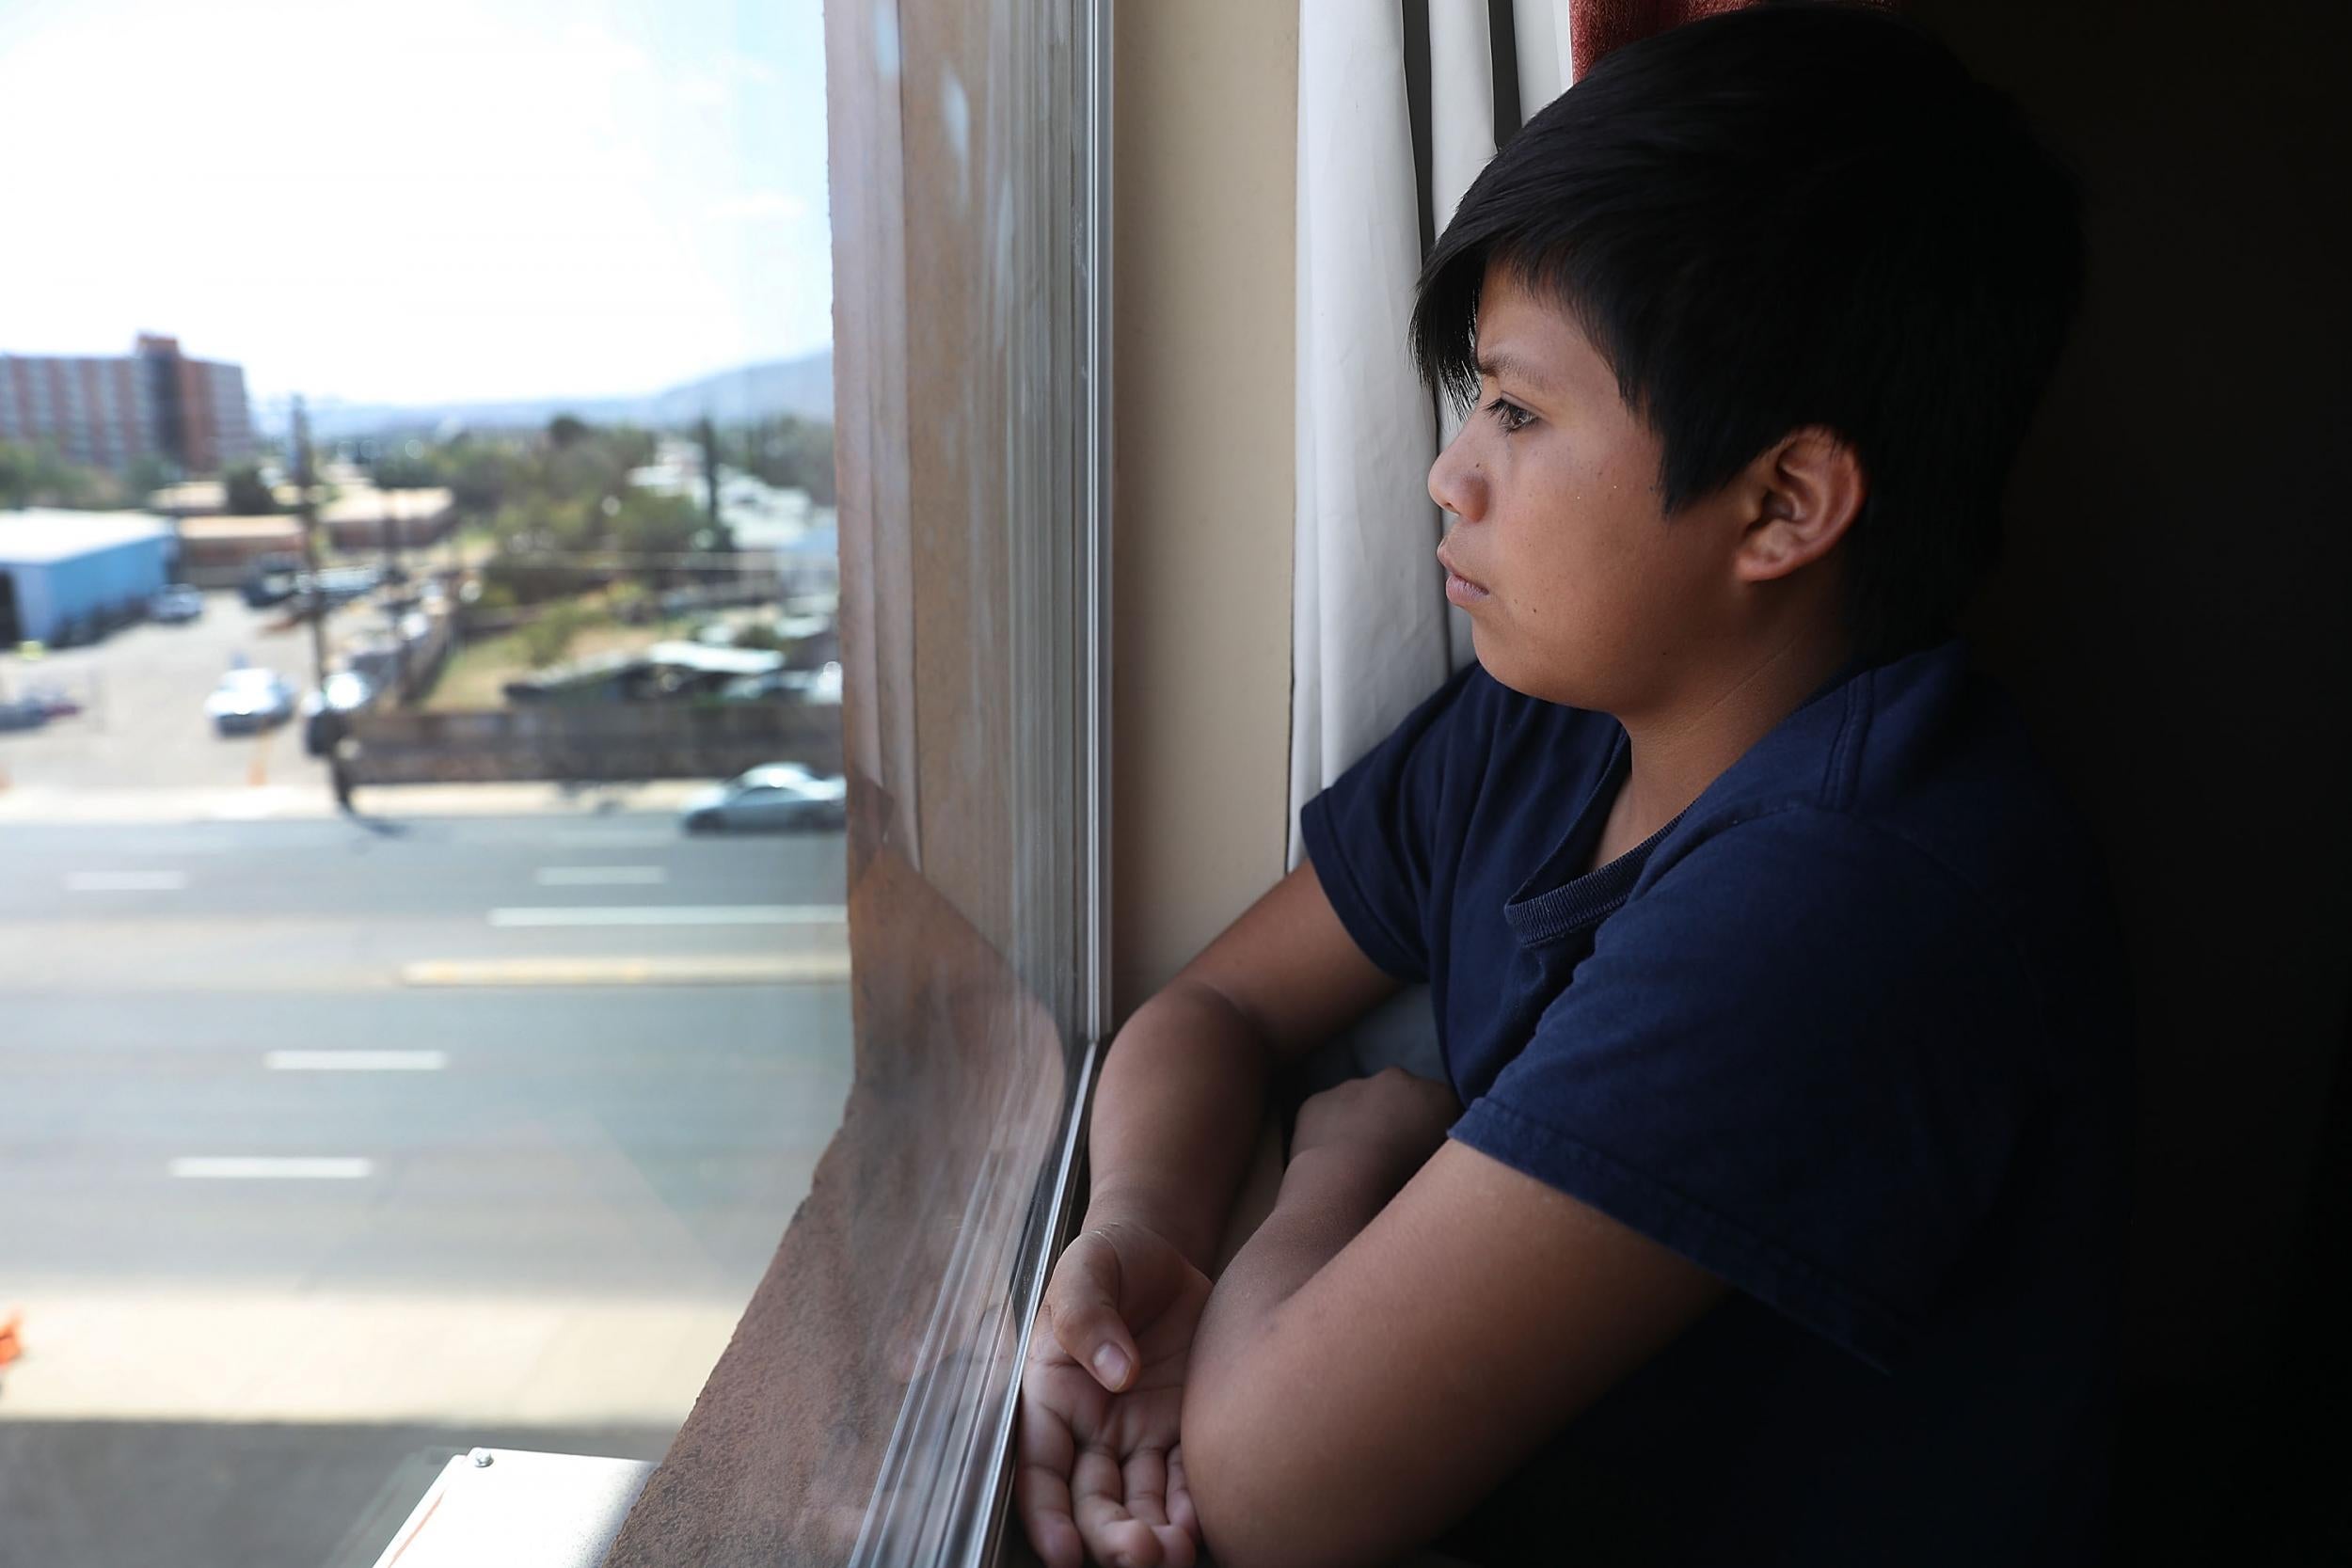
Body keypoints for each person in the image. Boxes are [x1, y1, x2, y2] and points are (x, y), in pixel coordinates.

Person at [1016, 6, 2130, 1566]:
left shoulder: (1856, 886)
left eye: (1521, 414)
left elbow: (1272, 1494)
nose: (1447, 473)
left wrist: (1347, 1156)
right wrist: (1144, 1225)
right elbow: (1209, 1010)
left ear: (1783, 504)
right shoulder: (1556, 720)